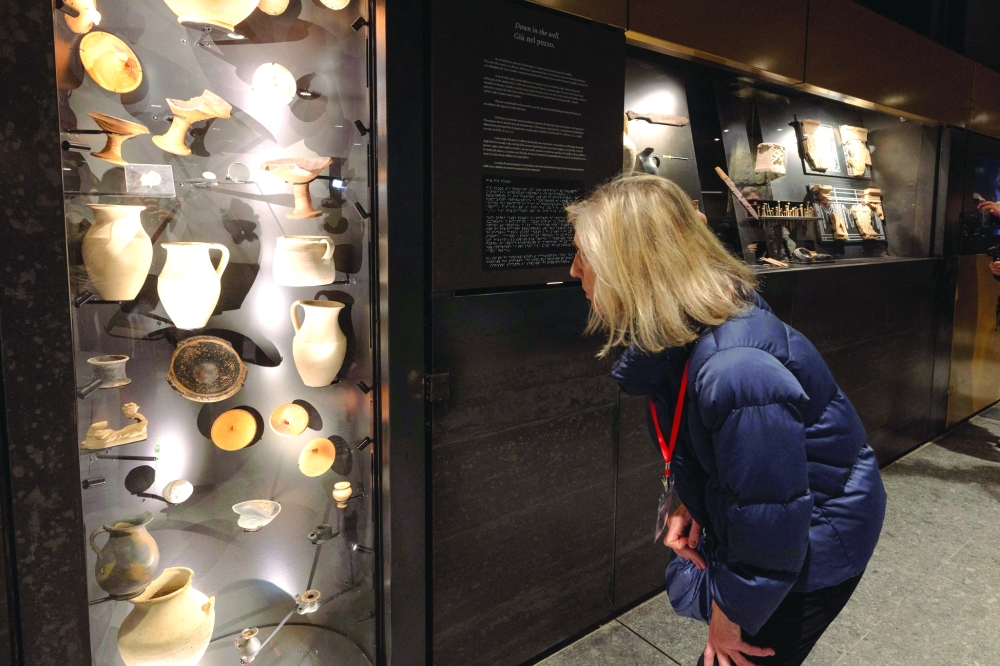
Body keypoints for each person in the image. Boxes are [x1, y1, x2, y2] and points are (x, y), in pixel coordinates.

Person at [567, 175, 887, 666]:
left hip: (813, 545)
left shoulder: (734, 368)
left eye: (583, 257)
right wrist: (695, 501)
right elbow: (740, 465)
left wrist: (729, 612)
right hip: (788, 535)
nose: (574, 272)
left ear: (628, 267)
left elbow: (773, 519)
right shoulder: (696, 325)